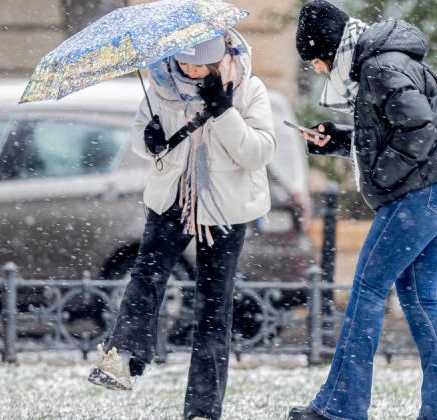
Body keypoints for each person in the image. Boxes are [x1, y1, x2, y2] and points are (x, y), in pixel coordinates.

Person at [288, 1, 437, 419]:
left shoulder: (379, 66)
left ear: (332, 50)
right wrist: (338, 140)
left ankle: (341, 407)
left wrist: (388, 180)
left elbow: (418, 128)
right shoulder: (384, 60)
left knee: (367, 291)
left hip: (424, 195)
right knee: (419, 298)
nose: (318, 70)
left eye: (317, 60)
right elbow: (394, 127)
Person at [87, 32, 276, 420]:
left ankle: (203, 409)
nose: (188, 71)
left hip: (225, 207)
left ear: (219, 58)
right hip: (173, 197)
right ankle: (125, 358)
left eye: (197, 64)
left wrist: (223, 112)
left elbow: (257, 152)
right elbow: (142, 137)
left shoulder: (248, 88)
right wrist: (151, 141)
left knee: (214, 305)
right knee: (146, 275)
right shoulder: (161, 85)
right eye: (183, 63)